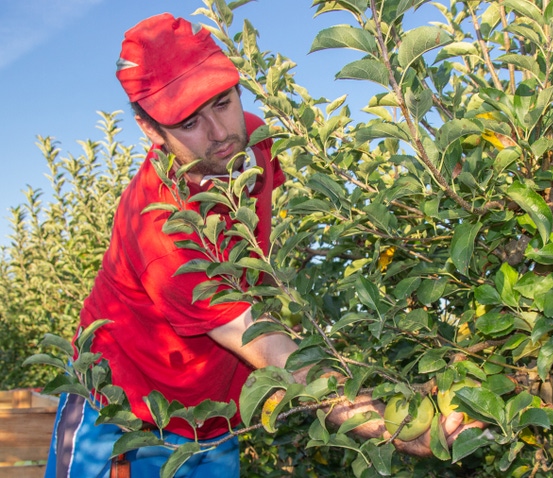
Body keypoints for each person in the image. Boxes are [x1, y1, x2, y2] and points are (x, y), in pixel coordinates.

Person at [44, 12, 480, 478]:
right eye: (189, 122)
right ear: (151, 130)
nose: (219, 132)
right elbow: (264, 342)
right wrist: (389, 426)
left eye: (223, 102)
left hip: (215, 420)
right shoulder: (162, 228)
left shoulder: (251, 142)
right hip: (123, 416)